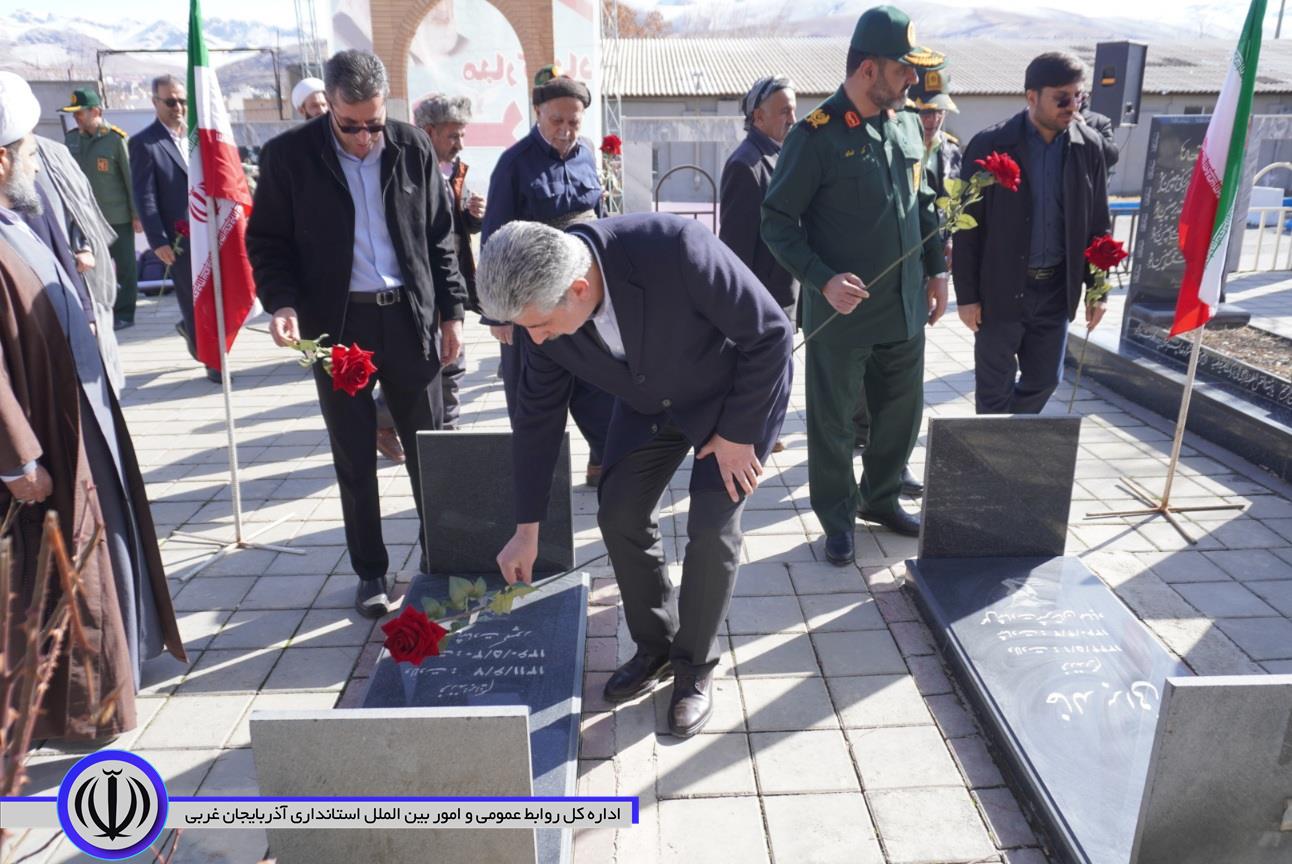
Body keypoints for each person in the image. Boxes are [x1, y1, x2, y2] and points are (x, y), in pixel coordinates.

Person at [480, 214, 792, 738]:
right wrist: (526, 529)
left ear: (577, 290)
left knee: (713, 528)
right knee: (619, 509)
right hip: (648, 403)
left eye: (540, 326)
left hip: (731, 397)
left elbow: (770, 335)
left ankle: (694, 667)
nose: (535, 340)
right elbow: (536, 421)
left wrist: (740, 436)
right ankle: (658, 647)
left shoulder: (676, 248)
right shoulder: (542, 321)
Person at [247, 50, 466, 618]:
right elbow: (267, 242)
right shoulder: (288, 158)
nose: (366, 137)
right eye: (351, 126)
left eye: (374, 123)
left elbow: (440, 237)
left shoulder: (412, 146)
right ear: (330, 110)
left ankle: (440, 562)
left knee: (430, 452)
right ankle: (370, 571)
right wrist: (283, 304)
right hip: (338, 329)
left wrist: (452, 314)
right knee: (353, 453)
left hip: (408, 319)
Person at [0, 71, 185, 741]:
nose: (34, 159)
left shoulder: (14, 214)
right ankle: (79, 709)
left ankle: (116, 674)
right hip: (41, 438)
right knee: (64, 574)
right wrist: (16, 456)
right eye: (25, 148)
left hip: (78, 410)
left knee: (104, 553)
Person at [762, 5, 948, 564]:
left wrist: (937, 272)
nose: (914, 80)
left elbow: (925, 205)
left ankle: (881, 499)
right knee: (835, 422)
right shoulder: (815, 135)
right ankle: (838, 519)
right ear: (869, 68)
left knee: (900, 415)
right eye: (903, 70)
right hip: (841, 314)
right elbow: (776, 221)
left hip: (905, 309)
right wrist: (821, 279)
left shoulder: (908, 124)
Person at [953, 52, 1110, 415]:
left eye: (1078, 96)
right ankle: (993, 464)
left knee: (1046, 380)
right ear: (1031, 97)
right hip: (1000, 289)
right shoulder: (989, 145)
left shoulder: (1089, 148)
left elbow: (1098, 224)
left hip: (1055, 291)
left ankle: (1010, 448)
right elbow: (966, 230)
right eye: (1062, 97)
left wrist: (1098, 290)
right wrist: (967, 296)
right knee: (993, 392)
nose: (1072, 106)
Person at [481, 64, 614, 488]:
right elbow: (493, 240)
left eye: (574, 122)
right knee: (532, 401)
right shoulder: (514, 164)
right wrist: (498, 315)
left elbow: (602, 218)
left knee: (602, 386)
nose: (565, 130)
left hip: (582, 296)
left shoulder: (588, 155)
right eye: (557, 120)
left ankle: (607, 465)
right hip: (532, 302)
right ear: (537, 113)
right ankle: (541, 489)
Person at [848, 62, 963, 498]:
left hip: (917, 278)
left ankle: (894, 466)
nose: (931, 119)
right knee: (868, 384)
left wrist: (941, 265)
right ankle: (868, 447)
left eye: (938, 112)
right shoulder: (892, 135)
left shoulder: (950, 151)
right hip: (875, 281)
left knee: (903, 390)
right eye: (924, 111)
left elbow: (935, 209)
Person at [719, 75, 798, 455]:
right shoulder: (746, 164)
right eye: (784, 111)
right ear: (758, 117)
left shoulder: (779, 155)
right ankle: (754, 436)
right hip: (762, 292)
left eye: (794, 110)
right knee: (762, 367)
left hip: (783, 286)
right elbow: (734, 247)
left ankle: (768, 431)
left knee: (781, 367)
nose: (792, 119)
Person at [130, 74, 219, 381]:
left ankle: (202, 340)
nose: (178, 107)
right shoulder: (144, 143)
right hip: (179, 238)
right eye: (170, 101)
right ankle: (212, 361)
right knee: (196, 299)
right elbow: (145, 196)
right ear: (155, 102)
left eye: (182, 100)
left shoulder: (199, 137)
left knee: (216, 295)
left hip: (210, 232)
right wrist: (158, 240)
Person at [414, 93, 484, 430]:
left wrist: (473, 217)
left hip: (451, 284)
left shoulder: (455, 171)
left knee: (451, 366)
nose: (460, 143)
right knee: (427, 372)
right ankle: (379, 418)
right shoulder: (406, 172)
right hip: (420, 289)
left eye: (463, 134)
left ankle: (448, 438)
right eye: (453, 135)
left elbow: (457, 225)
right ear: (429, 131)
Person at [60, 88, 141, 331]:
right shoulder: (71, 140)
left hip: (116, 217)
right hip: (85, 219)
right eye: (73, 115)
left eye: (80, 114)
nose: (75, 118)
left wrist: (135, 214)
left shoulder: (115, 140)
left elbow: (130, 179)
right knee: (92, 269)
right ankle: (99, 310)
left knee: (125, 267)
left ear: (96, 112)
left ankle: (125, 313)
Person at [1078, 93, 1120, 171]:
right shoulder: (1054, 119)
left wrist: (1086, 130)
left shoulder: (1100, 121)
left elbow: (1111, 158)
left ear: (1084, 97)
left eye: (1076, 95)